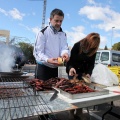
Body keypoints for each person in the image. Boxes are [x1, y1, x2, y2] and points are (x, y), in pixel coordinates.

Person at [66, 32, 100, 120]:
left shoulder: (93, 50)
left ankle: (79, 112)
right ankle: (71, 111)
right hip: (73, 72)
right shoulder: (77, 45)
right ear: (87, 41)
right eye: (90, 45)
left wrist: (89, 73)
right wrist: (70, 68)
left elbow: (91, 64)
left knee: (82, 93)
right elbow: (70, 61)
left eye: (93, 47)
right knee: (73, 93)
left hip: (84, 74)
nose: (90, 48)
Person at [33, 8, 69, 81]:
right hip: (43, 68)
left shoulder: (63, 34)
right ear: (50, 19)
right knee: (41, 90)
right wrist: (48, 59)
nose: (59, 23)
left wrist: (65, 53)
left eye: (61, 21)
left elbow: (64, 48)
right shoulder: (42, 33)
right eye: (56, 21)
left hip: (55, 68)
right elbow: (38, 52)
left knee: (54, 90)